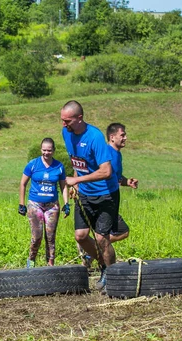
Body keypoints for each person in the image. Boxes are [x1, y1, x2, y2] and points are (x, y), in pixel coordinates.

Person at [60, 100, 120, 292]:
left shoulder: (94, 137)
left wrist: (76, 181)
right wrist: (77, 182)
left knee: (103, 239)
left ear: (79, 118)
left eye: (67, 120)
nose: (63, 124)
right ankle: (104, 264)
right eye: (62, 120)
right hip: (85, 194)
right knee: (81, 236)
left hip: (105, 194)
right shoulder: (66, 133)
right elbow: (78, 162)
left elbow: (106, 171)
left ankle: (113, 276)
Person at [18, 138, 70, 268]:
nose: (46, 153)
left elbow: (64, 186)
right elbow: (23, 184)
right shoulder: (33, 164)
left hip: (52, 206)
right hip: (35, 205)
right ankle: (31, 262)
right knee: (37, 237)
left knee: (51, 237)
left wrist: (66, 203)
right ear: (41, 150)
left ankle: (50, 264)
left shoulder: (59, 167)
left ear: (53, 151)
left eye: (49, 150)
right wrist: (21, 204)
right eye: (44, 150)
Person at [107, 122, 139, 243]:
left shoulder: (117, 154)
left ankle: (92, 253)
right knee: (123, 231)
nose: (125, 138)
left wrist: (127, 182)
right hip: (105, 198)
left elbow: (116, 176)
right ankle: (92, 248)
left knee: (112, 231)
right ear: (112, 137)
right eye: (122, 135)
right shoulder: (107, 152)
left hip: (113, 198)